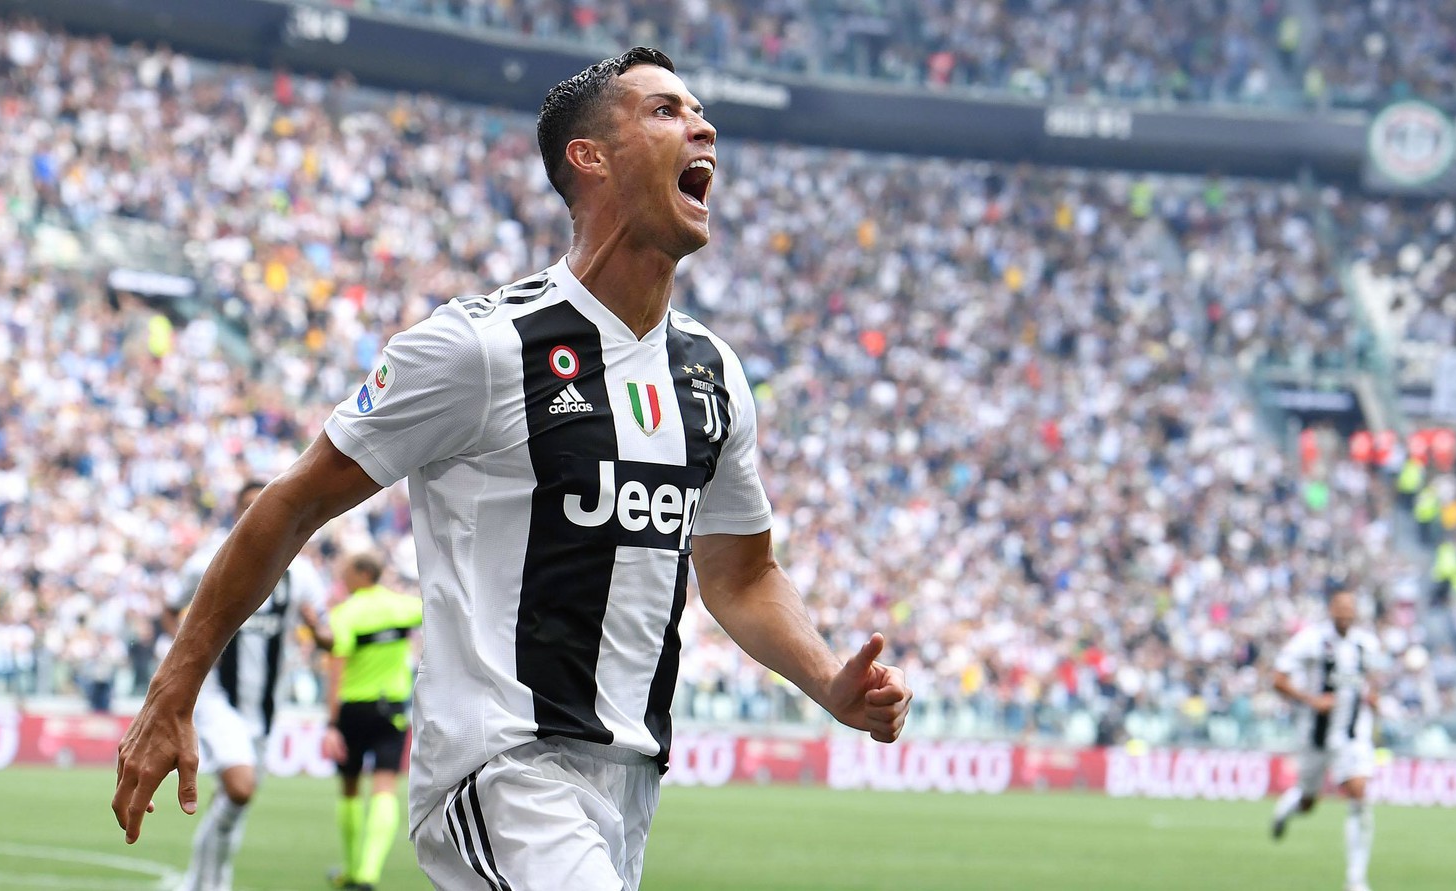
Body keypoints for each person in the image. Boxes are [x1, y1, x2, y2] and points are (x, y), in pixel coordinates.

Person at [113, 47, 912, 891]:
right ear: (590, 157)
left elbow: (743, 574)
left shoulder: (712, 375)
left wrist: (827, 678)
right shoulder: (482, 347)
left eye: (699, 110)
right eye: (665, 110)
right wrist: (175, 689)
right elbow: (293, 503)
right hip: (500, 768)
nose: (702, 124)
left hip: (632, 776)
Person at [161, 481, 332, 891]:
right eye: (250, 508)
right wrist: (184, 661)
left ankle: (203, 882)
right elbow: (169, 610)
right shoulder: (206, 562)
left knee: (236, 803)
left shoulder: (301, 574)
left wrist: (317, 629)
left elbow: (328, 637)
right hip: (217, 698)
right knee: (239, 789)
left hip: (267, 707)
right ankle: (207, 883)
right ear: (238, 515)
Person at [323, 552, 423, 891]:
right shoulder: (403, 607)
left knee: (350, 787)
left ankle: (351, 870)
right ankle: (368, 873)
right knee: (385, 786)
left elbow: (336, 670)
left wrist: (331, 723)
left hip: (353, 709)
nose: (342, 578)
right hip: (391, 707)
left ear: (364, 573)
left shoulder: (345, 614)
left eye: (346, 572)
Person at [1269, 589, 1382, 891]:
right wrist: (1311, 700)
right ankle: (1288, 807)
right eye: (1340, 609)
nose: (1346, 614)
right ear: (1331, 610)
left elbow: (1369, 679)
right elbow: (1278, 679)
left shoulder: (1366, 643)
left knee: (1359, 793)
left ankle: (1356, 880)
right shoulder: (1310, 640)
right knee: (1309, 802)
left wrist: (1372, 698)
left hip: (1353, 735)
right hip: (1315, 735)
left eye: (1350, 609)